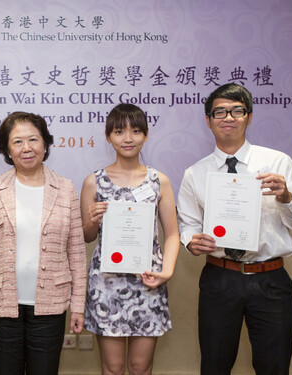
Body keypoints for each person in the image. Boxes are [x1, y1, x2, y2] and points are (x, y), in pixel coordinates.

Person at [177, 83, 292, 375]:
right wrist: (190, 240)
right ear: (209, 120)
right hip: (219, 279)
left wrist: (286, 197)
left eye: (237, 110)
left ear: (249, 117)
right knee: (214, 365)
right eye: (220, 111)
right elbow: (187, 223)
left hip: (271, 279)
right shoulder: (195, 173)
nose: (228, 117)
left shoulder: (277, 162)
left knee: (274, 367)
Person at [0, 111, 87, 375]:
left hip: (51, 304)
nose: (27, 148)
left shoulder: (65, 188)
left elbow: (77, 253)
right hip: (2, 304)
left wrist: (78, 305)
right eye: (17, 142)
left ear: (45, 144)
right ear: (7, 149)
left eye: (33, 139)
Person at [81, 103, 180, 375]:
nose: (128, 138)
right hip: (107, 283)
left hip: (148, 281)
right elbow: (87, 236)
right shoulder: (94, 182)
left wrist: (166, 271)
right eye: (119, 131)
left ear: (146, 135)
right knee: (113, 367)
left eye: (136, 131)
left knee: (140, 366)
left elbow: (172, 234)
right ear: (108, 136)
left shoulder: (159, 181)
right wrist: (92, 220)